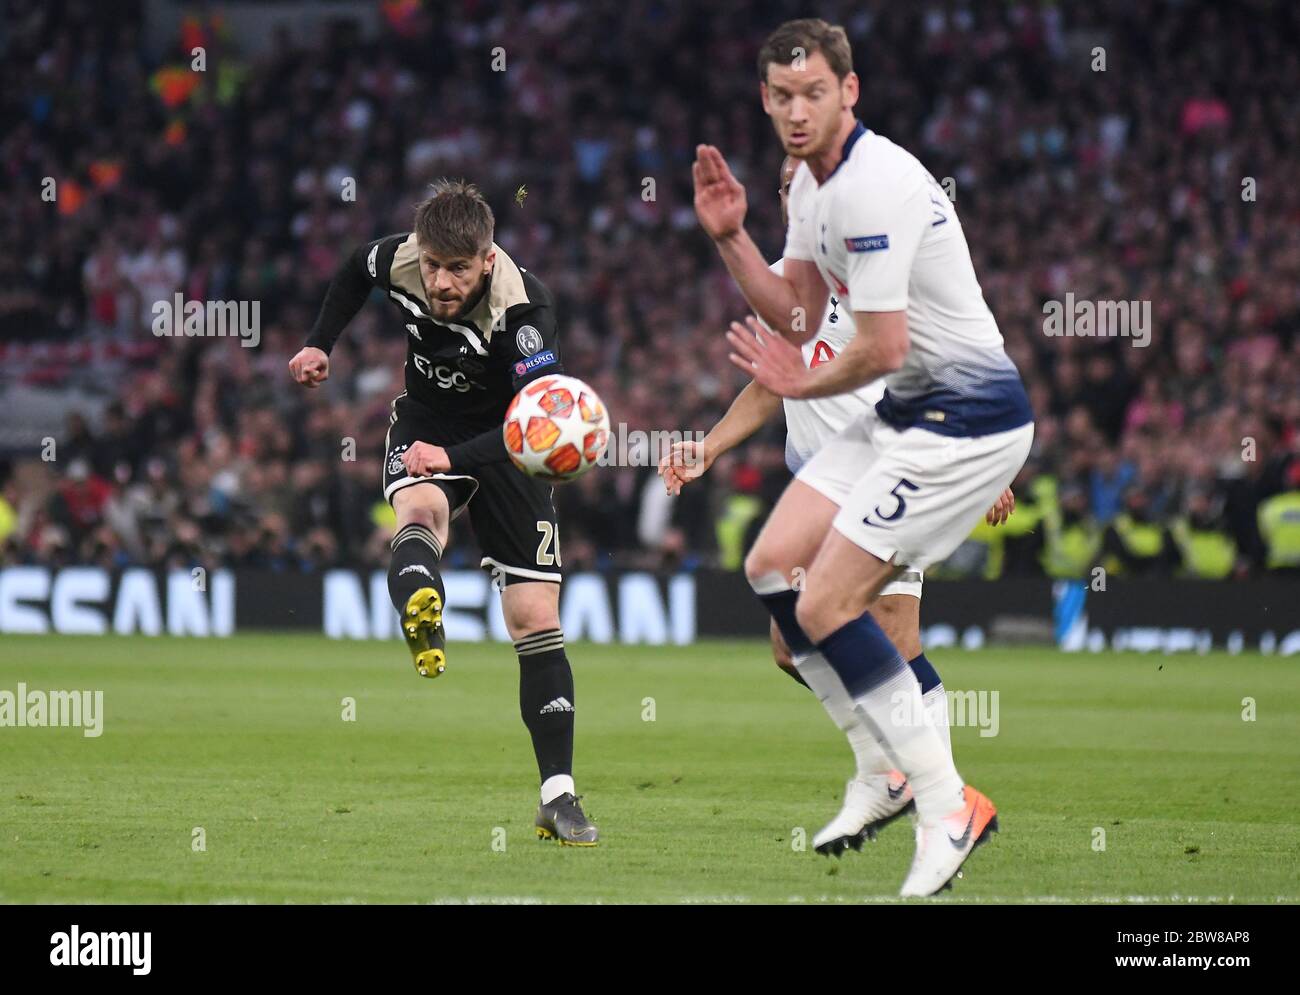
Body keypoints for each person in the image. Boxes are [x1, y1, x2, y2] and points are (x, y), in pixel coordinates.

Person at [693, 19, 1033, 895]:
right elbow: (798, 321)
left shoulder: (874, 187)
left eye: (814, 92)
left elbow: (878, 351)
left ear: (851, 91)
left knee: (839, 607)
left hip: (965, 420)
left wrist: (792, 384)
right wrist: (730, 238)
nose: (796, 110)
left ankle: (945, 800)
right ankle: (886, 773)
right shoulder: (809, 191)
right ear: (765, 101)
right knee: (773, 570)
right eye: (781, 96)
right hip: (906, 417)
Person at [288, 179, 598, 845]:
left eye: (457, 268)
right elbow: (351, 269)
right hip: (425, 417)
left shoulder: (526, 313)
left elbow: (532, 427)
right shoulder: (401, 257)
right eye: (432, 264)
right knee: (421, 510)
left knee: (535, 616)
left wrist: (453, 452)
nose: (440, 281)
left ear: (487, 259)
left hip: (510, 443)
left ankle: (558, 795)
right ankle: (421, 600)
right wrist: (321, 343)